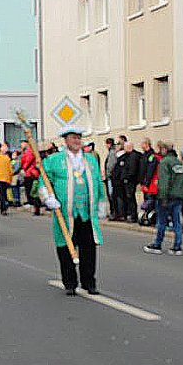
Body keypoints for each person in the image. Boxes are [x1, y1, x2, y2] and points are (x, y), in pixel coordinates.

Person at [41, 127, 105, 296]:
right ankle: (69, 283)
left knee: (89, 248)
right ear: (66, 140)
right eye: (73, 138)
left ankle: (89, 282)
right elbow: (44, 181)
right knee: (65, 247)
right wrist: (48, 198)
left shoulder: (90, 160)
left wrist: (102, 203)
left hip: (87, 213)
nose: (77, 141)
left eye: (79, 138)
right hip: (65, 214)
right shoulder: (54, 160)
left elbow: (98, 181)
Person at [143, 142, 183, 255]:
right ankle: (177, 246)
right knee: (177, 221)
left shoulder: (164, 162)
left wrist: (162, 197)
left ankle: (157, 244)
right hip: (178, 196)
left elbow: (164, 181)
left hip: (167, 196)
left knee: (161, 221)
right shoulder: (179, 163)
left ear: (164, 150)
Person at [118, 141, 141, 223]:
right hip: (126, 181)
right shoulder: (126, 156)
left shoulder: (133, 156)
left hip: (130, 181)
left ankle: (133, 215)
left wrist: (127, 178)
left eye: (125, 147)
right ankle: (130, 214)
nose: (124, 149)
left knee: (131, 198)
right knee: (128, 198)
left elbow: (132, 170)